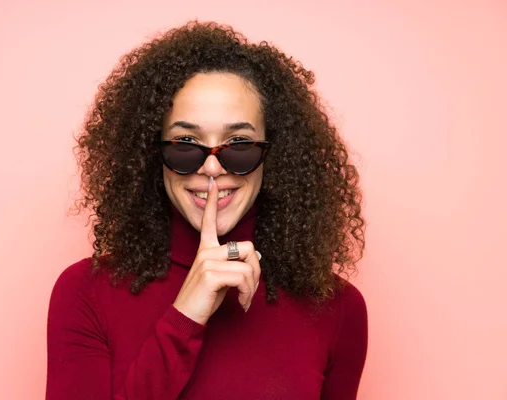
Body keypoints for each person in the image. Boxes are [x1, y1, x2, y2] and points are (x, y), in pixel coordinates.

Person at [46, 21, 367, 400]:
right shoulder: (86, 293)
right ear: (153, 153)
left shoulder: (337, 309)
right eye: (185, 143)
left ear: (273, 156)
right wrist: (185, 317)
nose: (212, 168)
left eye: (239, 144)